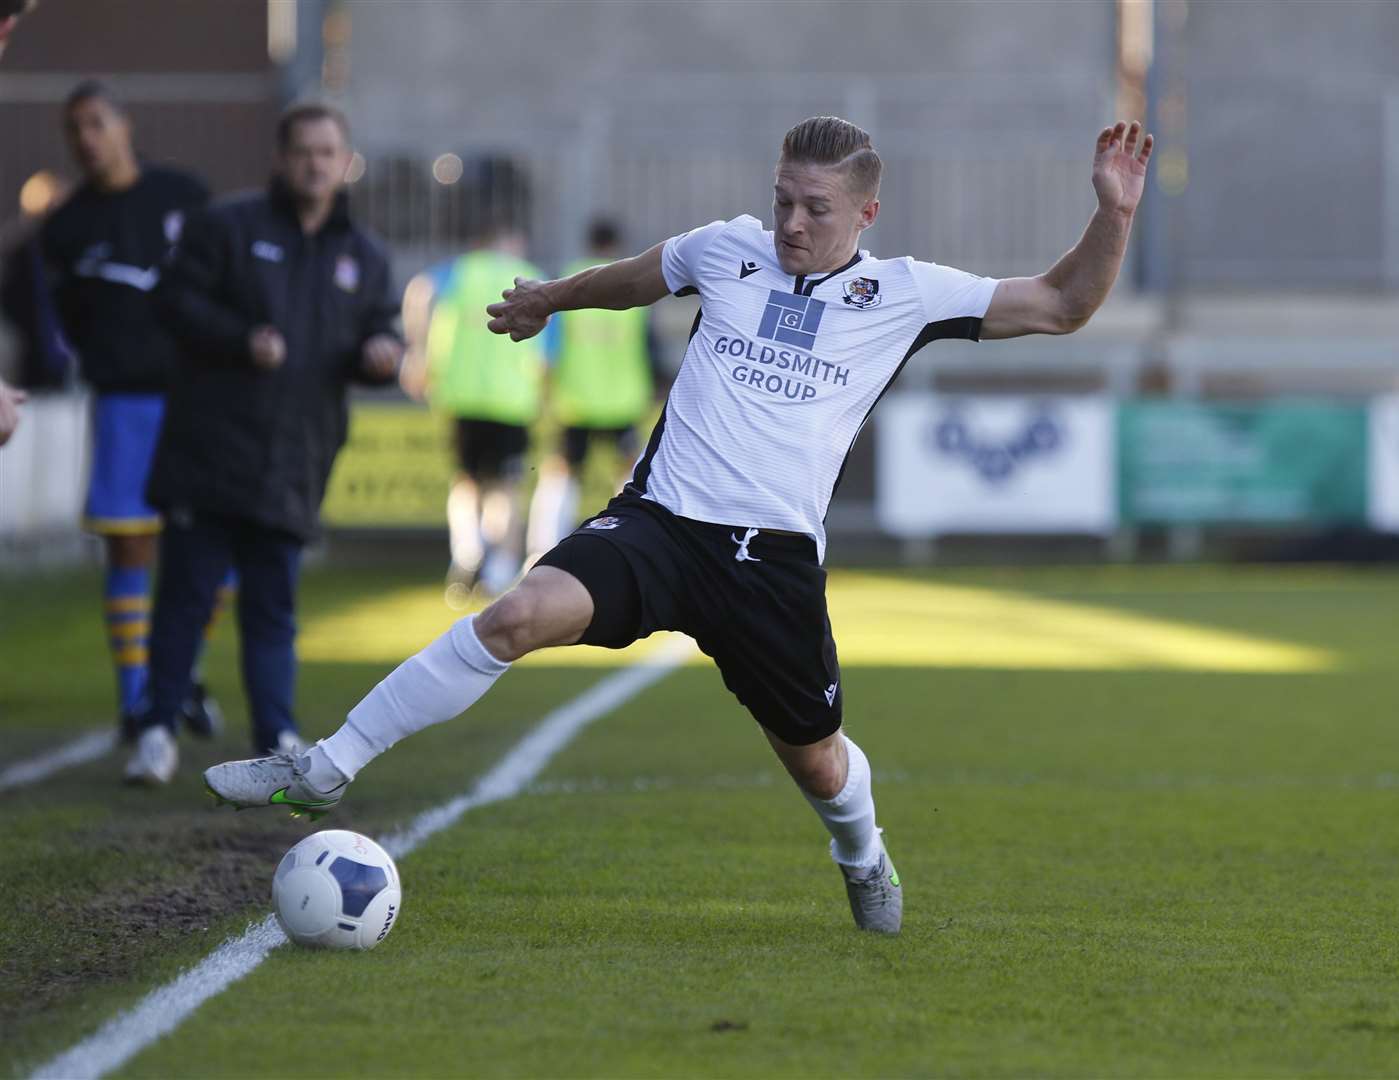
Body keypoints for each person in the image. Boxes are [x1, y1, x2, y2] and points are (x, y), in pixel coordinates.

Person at [204, 116, 1153, 934]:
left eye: (815, 208)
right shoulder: (727, 246)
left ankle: (864, 858)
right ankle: (325, 767)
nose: (790, 221)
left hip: (769, 565)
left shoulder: (907, 294)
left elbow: (1065, 303)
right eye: (783, 198)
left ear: (867, 213)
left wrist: (1111, 216)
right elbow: (634, 278)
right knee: (514, 616)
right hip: (659, 526)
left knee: (820, 765)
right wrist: (549, 297)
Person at [128, 101, 402, 785]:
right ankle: (156, 728)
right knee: (186, 595)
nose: (315, 163)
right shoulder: (227, 225)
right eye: (303, 151)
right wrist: (239, 340)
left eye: (327, 152)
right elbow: (171, 302)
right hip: (209, 451)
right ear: (280, 158)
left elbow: (384, 330)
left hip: (295, 459)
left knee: (273, 606)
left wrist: (382, 353)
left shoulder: (363, 255)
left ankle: (275, 732)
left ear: (344, 163)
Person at [36, 80, 227, 745]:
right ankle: (136, 701)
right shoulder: (64, 228)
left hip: (198, 400)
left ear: (124, 126)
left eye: (96, 123)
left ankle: (180, 678)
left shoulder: (183, 194)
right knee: (131, 544)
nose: (86, 138)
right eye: (74, 128)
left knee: (213, 551)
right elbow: (60, 320)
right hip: (122, 404)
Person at [401, 222, 547, 603]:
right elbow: (546, 352)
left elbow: (418, 292)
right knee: (506, 487)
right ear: (510, 240)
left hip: (461, 395)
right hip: (511, 400)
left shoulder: (460, 271)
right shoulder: (530, 278)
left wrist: (418, 354)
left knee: (466, 481)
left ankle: (466, 557)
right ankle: (498, 569)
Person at [528, 216, 659, 556]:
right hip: (623, 399)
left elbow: (549, 349)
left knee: (561, 475)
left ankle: (542, 551)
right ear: (616, 245)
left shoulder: (571, 280)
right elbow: (648, 346)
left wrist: (543, 388)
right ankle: (632, 547)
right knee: (630, 480)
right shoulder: (632, 281)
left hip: (576, 400)